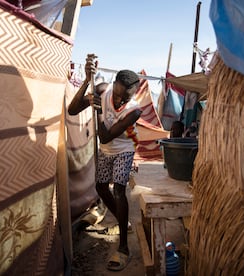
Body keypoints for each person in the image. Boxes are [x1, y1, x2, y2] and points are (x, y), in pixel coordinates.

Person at [68, 54, 142, 271]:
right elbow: (72, 110)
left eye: (125, 98)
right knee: (101, 187)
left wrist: (99, 111)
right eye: (119, 95)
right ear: (114, 85)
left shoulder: (134, 110)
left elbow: (106, 136)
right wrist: (85, 81)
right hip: (106, 151)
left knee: (119, 190)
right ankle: (123, 222)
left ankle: (124, 248)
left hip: (123, 150)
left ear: (133, 93)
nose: (120, 101)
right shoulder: (102, 90)